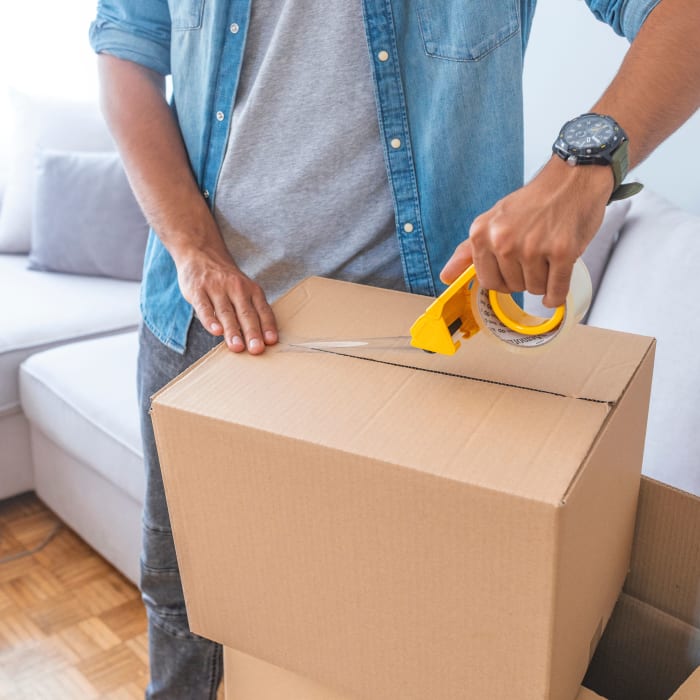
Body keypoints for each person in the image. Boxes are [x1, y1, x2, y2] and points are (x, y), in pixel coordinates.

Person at [90, 0, 699, 697]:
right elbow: (128, 47)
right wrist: (190, 248)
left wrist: (579, 169)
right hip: (204, 325)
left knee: (398, 641)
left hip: (410, 354)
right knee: (181, 605)